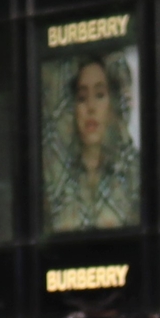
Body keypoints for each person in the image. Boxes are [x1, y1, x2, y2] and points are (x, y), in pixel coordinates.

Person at [44, 52, 139, 233]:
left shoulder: (133, 172)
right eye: (82, 98)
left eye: (100, 95)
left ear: (113, 104)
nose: (91, 107)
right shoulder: (58, 177)